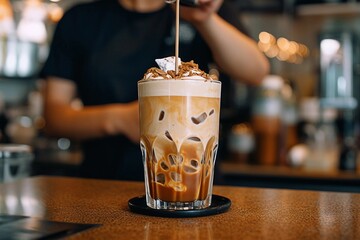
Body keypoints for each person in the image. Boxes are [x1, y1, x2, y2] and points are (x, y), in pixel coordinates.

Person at [41, 0, 269, 181]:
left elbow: (256, 72)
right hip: (103, 185)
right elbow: (54, 119)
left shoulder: (196, 8)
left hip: (191, 183)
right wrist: (119, 119)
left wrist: (205, 19)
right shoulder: (79, 20)